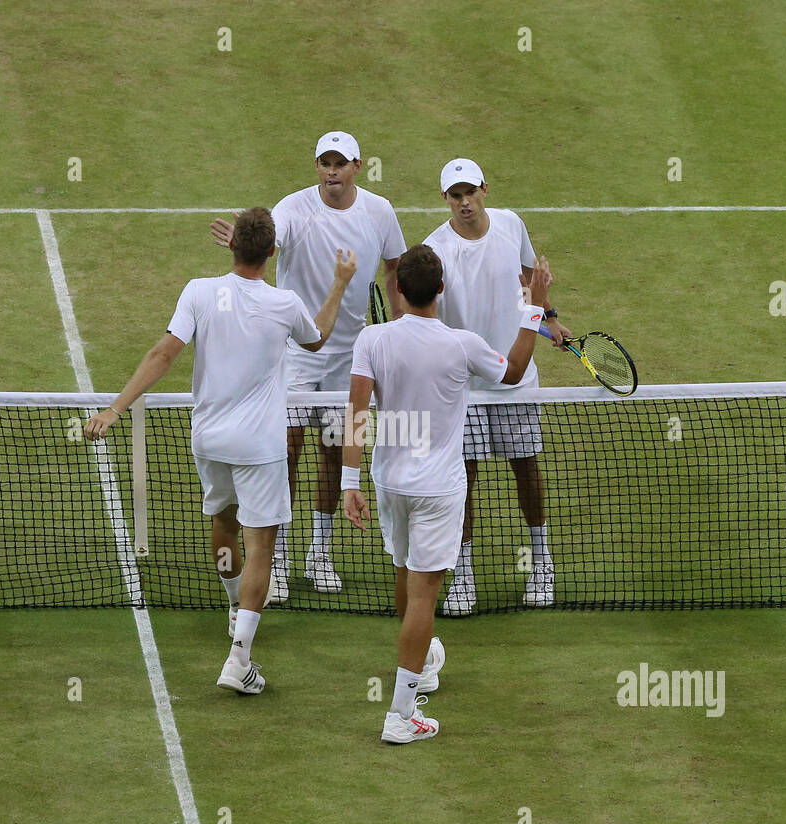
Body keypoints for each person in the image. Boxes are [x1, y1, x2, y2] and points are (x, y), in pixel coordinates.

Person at [88, 208, 357, 694]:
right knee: (262, 547)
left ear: (231, 245)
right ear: (273, 253)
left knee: (224, 525)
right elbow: (318, 340)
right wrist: (340, 282)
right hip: (259, 445)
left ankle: (235, 607)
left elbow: (163, 354)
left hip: (209, 440)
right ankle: (239, 658)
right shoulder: (285, 304)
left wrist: (115, 409)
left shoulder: (198, 291)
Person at [342, 244, 549, 743]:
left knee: (405, 576)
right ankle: (399, 714)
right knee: (423, 596)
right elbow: (515, 372)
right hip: (438, 489)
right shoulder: (463, 344)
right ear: (441, 289)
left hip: (389, 482)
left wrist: (350, 482)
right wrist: (534, 307)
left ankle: (423, 663)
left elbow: (356, 412)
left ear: (397, 289)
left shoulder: (371, 339)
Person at [211, 132, 406, 604]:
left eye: (340, 163)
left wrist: (401, 327)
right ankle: (273, 562)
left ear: (357, 165)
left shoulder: (379, 212)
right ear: (316, 166)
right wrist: (245, 238)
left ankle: (319, 553)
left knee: (336, 453)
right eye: (325, 163)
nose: (332, 171)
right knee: (286, 452)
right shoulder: (293, 208)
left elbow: (394, 267)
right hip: (297, 349)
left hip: (350, 356)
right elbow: (268, 245)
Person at [422, 158, 573, 615]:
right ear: (445, 198)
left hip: (515, 376)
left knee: (526, 467)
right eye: (455, 195)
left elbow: (528, 279)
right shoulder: (434, 250)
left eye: (470, 192)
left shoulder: (511, 225)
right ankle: (463, 575)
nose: (464, 202)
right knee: (461, 480)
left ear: (485, 189)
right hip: (462, 387)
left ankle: (542, 563)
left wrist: (548, 318)